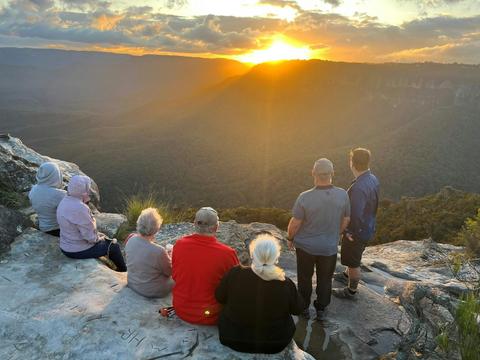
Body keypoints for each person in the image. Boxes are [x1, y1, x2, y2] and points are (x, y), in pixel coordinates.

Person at [215, 234, 304, 354]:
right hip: (276, 343)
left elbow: (219, 297)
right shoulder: (285, 283)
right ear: (276, 258)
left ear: (252, 255)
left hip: (232, 338)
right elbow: (297, 309)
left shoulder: (235, 273)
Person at [287, 158, 350, 320]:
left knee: (305, 278)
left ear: (313, 173)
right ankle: (321, 309)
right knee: (325, 279)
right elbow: (346, 219)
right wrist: (335, 235)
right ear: (332, 174)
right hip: (329, 247)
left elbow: (295, 223)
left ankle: (304, 308)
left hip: (305, 247)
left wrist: (290, 237)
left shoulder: (305, 197)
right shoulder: (342, 194)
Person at [172, 207, 239, 325]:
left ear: (194, 224)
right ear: (216, 227)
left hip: (181, 309)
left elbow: (176, 275)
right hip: (211, 316)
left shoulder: (179, 245)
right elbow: (235, 286)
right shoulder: (227, 253)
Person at [333, 148, 379, 299]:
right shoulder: (372, 178)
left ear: (352, 163)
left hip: (357, 231)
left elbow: (355, 214)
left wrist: (348, 232)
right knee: (354, 257)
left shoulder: (359, 187)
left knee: (353, 262)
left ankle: (351, 291)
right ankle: (346, 275)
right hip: (368, 227)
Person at [57, 175, 126, 272]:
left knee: (104, 239)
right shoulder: (81, 208)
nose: (89, 191)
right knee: (114, 246)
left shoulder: (64, 201)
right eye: (87, 190)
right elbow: (90, 238)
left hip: (65, 246)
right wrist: (100, 238)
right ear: (83, 192)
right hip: (77, 250)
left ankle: (112, 264)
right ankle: (123, 271)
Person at [125, 208, 173, 298]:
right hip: (151, 291)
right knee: (180, 277)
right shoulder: (159, 251)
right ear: (156, 229)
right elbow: (169, 272)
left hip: (132, 283)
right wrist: (170, 257)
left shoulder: (130, 239)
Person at [28, 162, 66, 237]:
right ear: (56, 175)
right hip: (58, 230)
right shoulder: (60, 195)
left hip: (43, 227)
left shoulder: (33, 190)